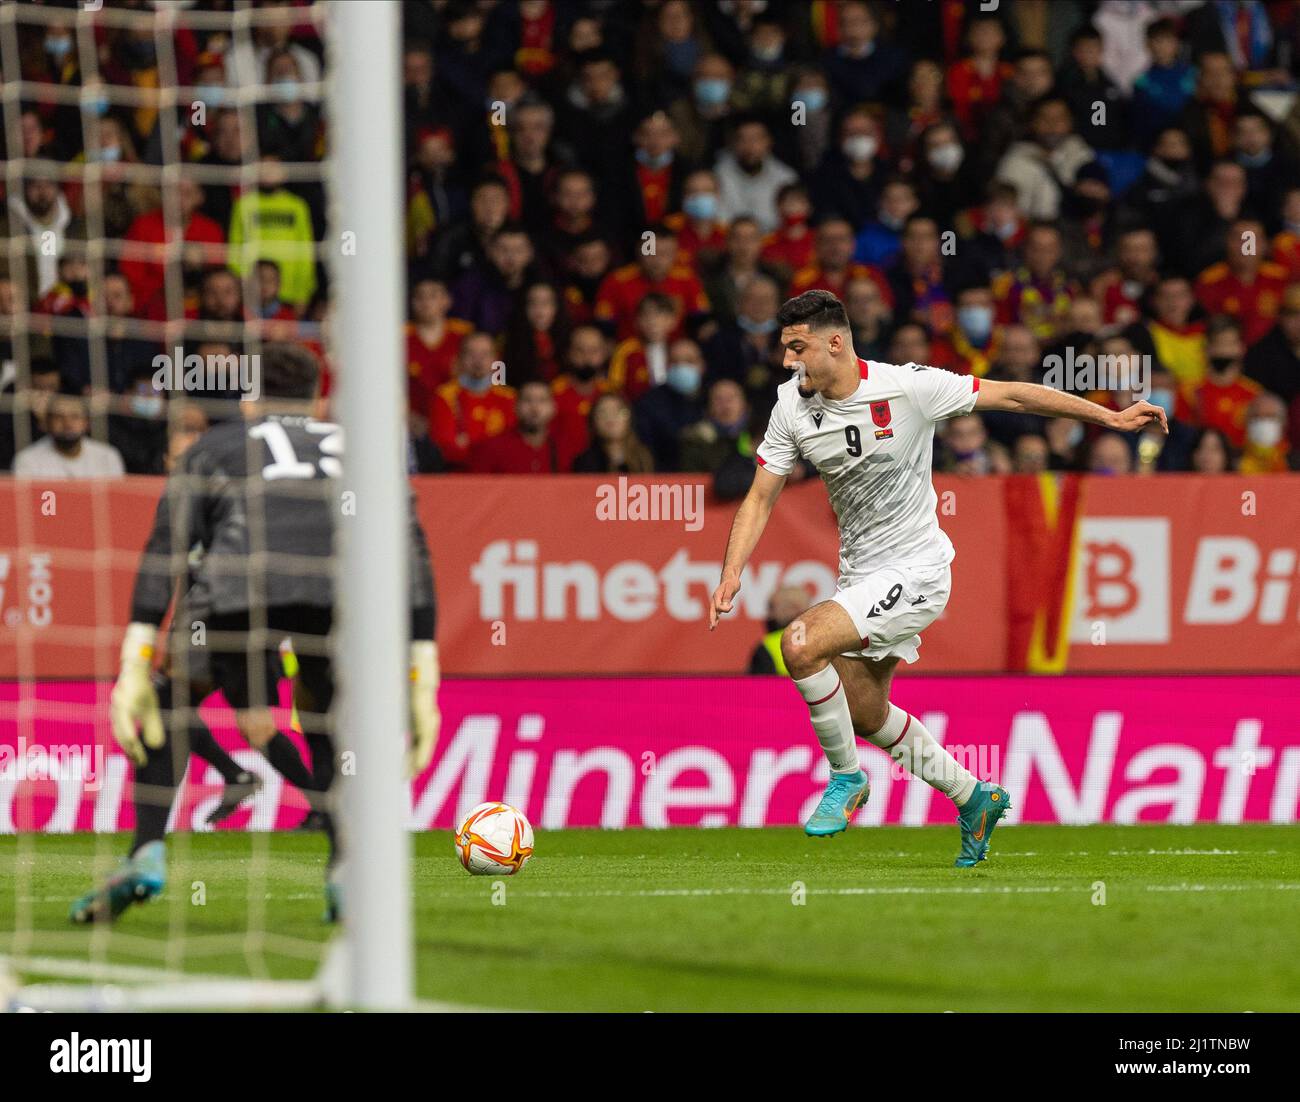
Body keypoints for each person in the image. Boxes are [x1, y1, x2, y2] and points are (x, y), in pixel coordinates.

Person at [708, 290, 1166, 865]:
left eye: (797, 348)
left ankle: (846, 779)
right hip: (861, 577)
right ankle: (973, 797)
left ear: (836, 342)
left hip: (918, 569)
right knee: (865, 714)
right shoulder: (790, 406)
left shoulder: (908, 387)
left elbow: (1014, 397)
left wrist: (1109, 415)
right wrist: (731, 574)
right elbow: (759, 495)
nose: (787, 362)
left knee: (799, 645)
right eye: (783, 350)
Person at [77, 345, 440, 923]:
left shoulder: (213, 448)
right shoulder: (365, 451)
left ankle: (146, 850)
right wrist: (424, 668)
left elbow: (164, 549)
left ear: (249, 400)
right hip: (337, 592)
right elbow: (413, 551)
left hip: (235, 591)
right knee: (324, 713)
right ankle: (347, 866)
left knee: (171, 702)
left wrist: (134, 658)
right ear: (319, 401)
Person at [13, 393, 125, 478]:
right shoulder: (27, 460)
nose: (67, 424)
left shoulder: (107, 456)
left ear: (86, 423)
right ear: (47, 423)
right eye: (59, 417)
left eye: (75, 416)